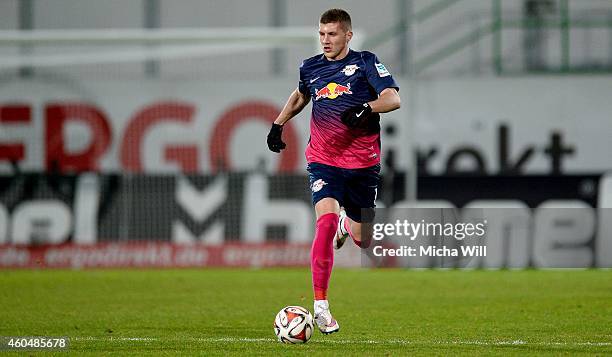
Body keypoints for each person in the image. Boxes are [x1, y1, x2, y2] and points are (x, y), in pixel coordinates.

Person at [266, 8, 400, 334]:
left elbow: (392, 99)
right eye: (322, 34)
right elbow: (301, 95)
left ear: (348, 36)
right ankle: (321, 307)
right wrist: (278, 124)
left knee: (363, 238)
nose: (325, 40)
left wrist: (366, 107)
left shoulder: (366, 62)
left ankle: (347, 223)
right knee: (323, 223)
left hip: (363, 164)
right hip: (323, 160)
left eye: (332, 34)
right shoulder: (310, 67)